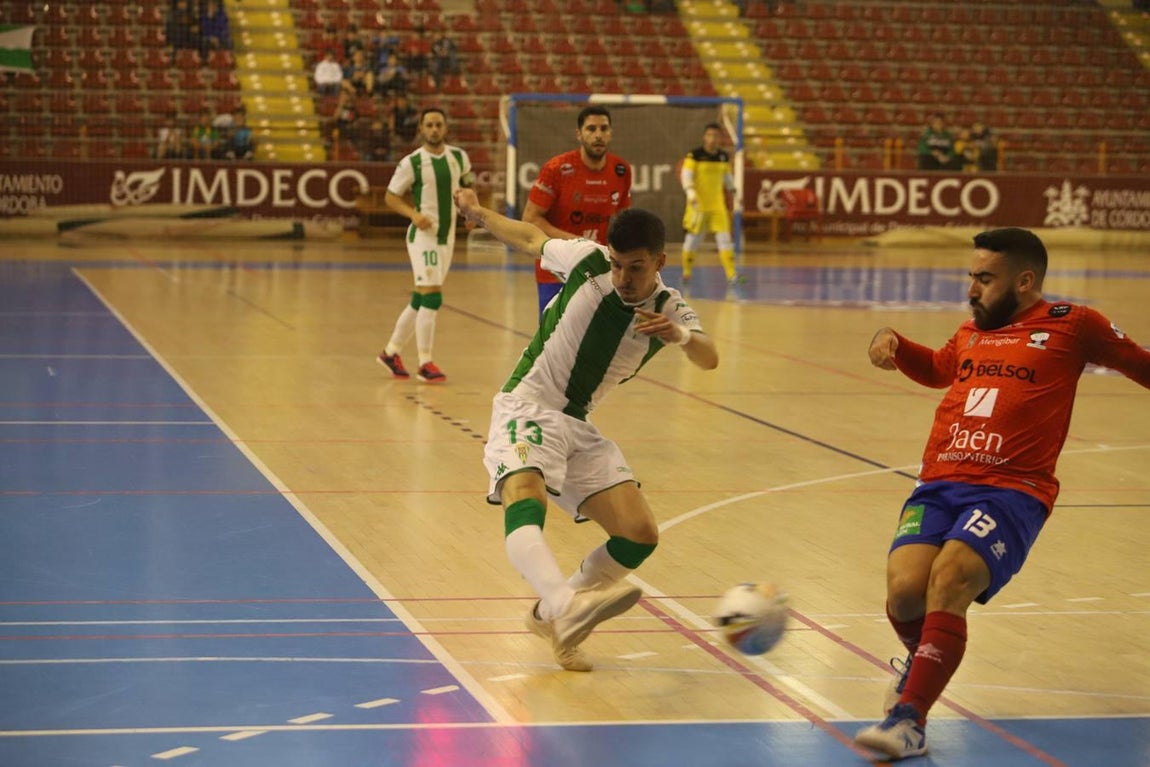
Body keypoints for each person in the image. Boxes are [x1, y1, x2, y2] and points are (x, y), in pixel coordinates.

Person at [854, 227, 1150, 760]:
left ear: (1025, 281)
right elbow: (938, 370)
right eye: (972, 276)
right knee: (904, 593)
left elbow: (1142, 365)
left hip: (1013, 489)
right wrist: (894, 341)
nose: (972, 289)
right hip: (940, 480)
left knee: (950, 579)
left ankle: (909, 720)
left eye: (985, 279)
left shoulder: (1074, 324)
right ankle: (921, 662)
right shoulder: (972, 331)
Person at [452, 185, 720, 672]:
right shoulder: (586, 260)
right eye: (616, 264)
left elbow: (709, 357)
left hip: (577, 424)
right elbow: (530, 237)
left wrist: (681, 335)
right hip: (527, 405)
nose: (622, 277)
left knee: (639, 535)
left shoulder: (668, 307)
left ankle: (552, 614)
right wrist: (477, 212)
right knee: (525, 496)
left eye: (635, 268)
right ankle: (565, 605)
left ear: (659, 262)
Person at [377, 108, 473, 384]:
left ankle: (391, 352)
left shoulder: (459, 157)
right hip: (423, 237)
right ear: (421, 129)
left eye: (438, 124)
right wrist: (413, 215)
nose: (434, 129)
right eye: (429, 125)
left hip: (447, 237)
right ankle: (425, 362)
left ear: (446, 128)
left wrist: (471, 212)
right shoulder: (412, 162)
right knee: (432, 297)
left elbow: (468, 188)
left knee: (421, 299)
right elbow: (391, 197)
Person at [523, 105, 632, 316]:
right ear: (579, 134)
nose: (598, 135)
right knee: (553, 331)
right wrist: (578, 243)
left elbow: (623, 221)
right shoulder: (556, 169)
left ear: (611, 133)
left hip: (598, 268)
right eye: (591, 129)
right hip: (556, 269)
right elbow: (530, 218)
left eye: (604, 128)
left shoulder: (621, 170)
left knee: (595, 332)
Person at [679, 122, 738, 284]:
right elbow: (686, 176)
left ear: (720, 138)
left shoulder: (723, 157)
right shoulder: (694, 155)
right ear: (704, 137)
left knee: (724, 239)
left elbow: (727, 177)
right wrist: (691, 192)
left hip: (717, 206)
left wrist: (733, 189)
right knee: (693, 240)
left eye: (716, 136)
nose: (712, 139)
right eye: (709, 135)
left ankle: (731, 275)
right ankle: (686, 272)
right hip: (698, 206)